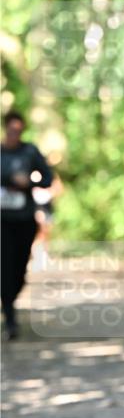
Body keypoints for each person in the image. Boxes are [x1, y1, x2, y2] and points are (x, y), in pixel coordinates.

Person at [1, 110, 53, 339]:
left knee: (19, 270)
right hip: (2, 220)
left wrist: (29, 182)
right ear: (5, 129)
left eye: (19, 130)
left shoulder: (30, 152)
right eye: (12, 130)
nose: (15, 134)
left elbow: (48, 177)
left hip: (24, 219)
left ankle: (9, 300)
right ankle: (10, 319)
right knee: (4, 267)